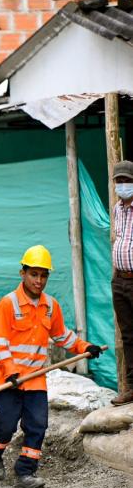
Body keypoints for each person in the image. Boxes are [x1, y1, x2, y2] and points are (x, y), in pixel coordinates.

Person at [0, 245, 102, 488]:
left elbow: (62, 336)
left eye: (43, 275)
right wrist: (11, 371)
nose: (39, 280)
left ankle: (25, 471)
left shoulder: (50, 306)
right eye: (34, 274)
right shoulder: (7, 304)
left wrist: (85, 347)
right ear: (22, 273)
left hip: (35, 379)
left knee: (38, 425)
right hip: (7, 379)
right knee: (6, 424)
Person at [111, 160, 133, 405]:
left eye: (127, 180)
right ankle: (131, 388)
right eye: (119, 180)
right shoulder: (117, 209)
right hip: (120, 280)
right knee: (128, 336)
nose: (123, 185)